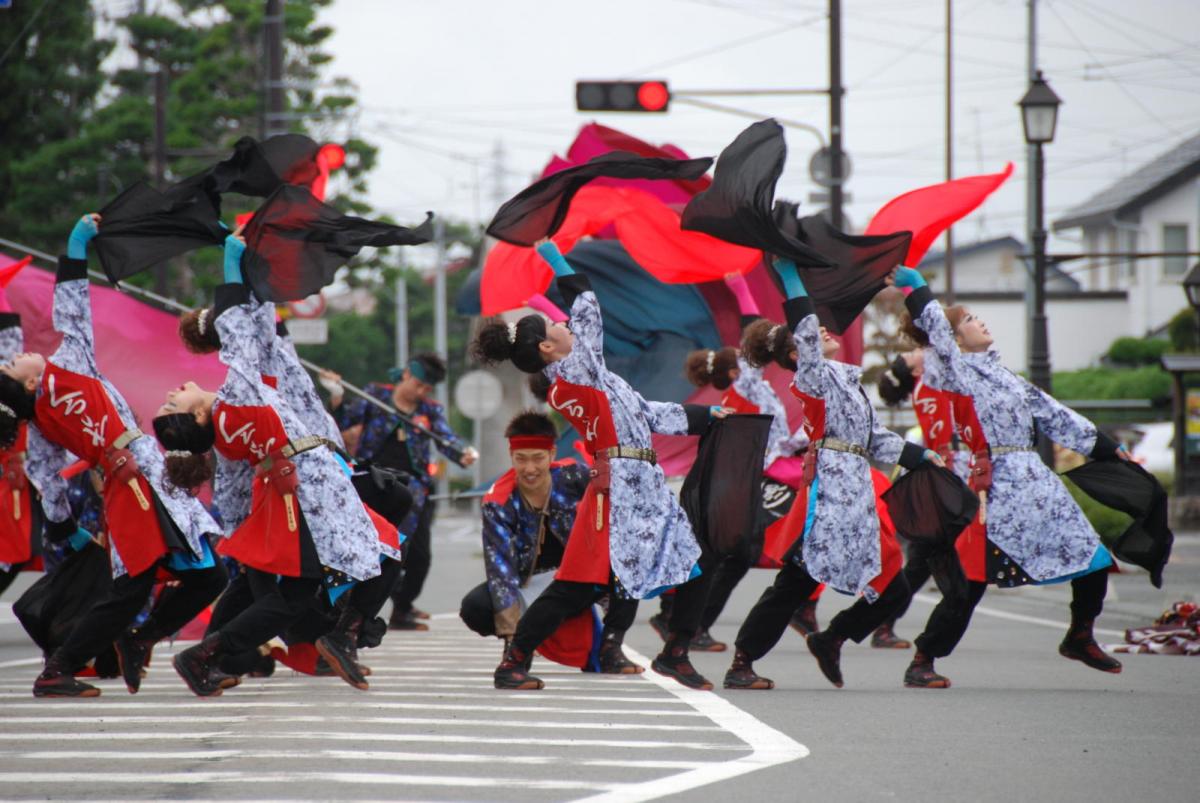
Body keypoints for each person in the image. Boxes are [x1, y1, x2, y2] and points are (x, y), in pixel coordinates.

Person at [152, 232, 398, 695]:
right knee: (371, 559)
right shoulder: (239, 396)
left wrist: (256, 278)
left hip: (308, 485)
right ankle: (333, 637)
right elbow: (242, 332)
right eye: (174, 402)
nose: (177, 388)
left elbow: (261, 335)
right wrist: (233, 269)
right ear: (198, 415)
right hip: (309, 488)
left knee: (365, 561)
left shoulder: (227, 428)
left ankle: (220, 652)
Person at [472, 239, 719, 690]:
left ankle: (663, 651)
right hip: (622, 485)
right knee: (584, 584)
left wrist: (707, 417)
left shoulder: (592, 376)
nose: (566, 325)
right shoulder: (574, 372)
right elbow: (588, 309)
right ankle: (517, 659)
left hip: (640, 481)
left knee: (679, 566)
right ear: (548, 346)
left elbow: (648, 413)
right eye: (557, 325)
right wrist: (557, 260)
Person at [1, 214, 227, 698]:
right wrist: (77, 246)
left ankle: (138, 640)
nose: (22, 354)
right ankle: (58, 669)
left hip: (146, 474)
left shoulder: (39, 424)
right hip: (132, 483)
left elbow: (47, 478)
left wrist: (67, 528)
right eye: (16, 361)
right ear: (29, 382)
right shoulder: (68, 366)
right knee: (136, 585)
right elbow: (72, 303)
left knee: (209, 574)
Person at [896, 265, 1128, 679]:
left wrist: (1107, 447)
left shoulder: (1008, 378)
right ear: (953, 339)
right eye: (968, 320)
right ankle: (923, 659)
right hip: (995, 488)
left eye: (974, 316)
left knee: (1093, 558)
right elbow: (936, 329)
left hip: (1037, 484)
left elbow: (1055, 415)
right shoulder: (955, 371)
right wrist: (916, 289)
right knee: (970, 582)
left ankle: (1079, 635)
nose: (978, 321)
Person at [722, 258, 937, 690]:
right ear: (798, 355)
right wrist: (789, 276)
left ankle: (834, 637)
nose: (823, 331)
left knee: (892, 585)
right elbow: (803, 325)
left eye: (822, 329)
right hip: (833, 488)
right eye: (813, 333)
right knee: (797, 581)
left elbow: (875, 438)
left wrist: (923, 458)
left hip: (858, 488)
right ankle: (741, 663)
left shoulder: (847, 380)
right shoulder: (814, 377)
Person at [459, 410, 641, 674]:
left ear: (552, 454)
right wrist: (513, 637)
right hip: (528, 583)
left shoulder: (574, 477)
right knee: (474, 607)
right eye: (521, 459)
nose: (529, 468)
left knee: (628, 564)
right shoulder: (497, 501)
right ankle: (521, 646)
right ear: (511, 456)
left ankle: (611, 647)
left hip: (578, 578)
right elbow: (500, 569)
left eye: (538, 458)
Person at [325, 353, 477, 631]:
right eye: (418, 384)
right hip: (373, 484)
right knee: (375, 551)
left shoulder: (430, 411)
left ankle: (403, 606)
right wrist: (336, 397)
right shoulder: (374, 395)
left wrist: (462, 454)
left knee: (418, 557)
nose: (421, 392)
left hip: (414, 490)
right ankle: (346, 611)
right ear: (406, 374)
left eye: (426, 389)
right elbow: (343, 420)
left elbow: (446, 440)